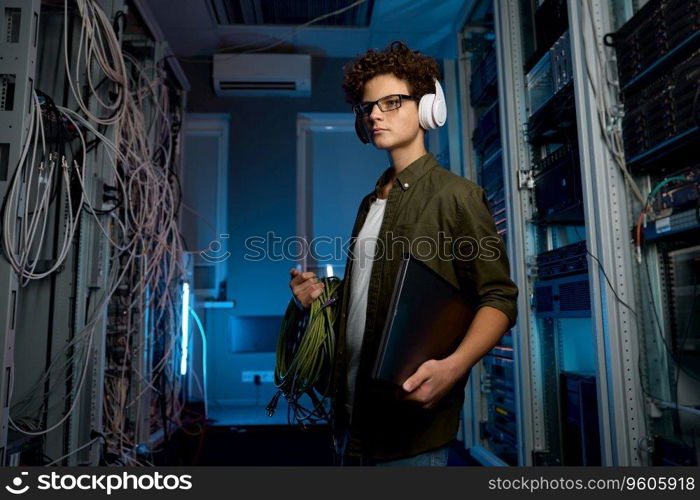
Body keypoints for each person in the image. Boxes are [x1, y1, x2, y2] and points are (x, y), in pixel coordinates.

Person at [288, 41, 518, 466]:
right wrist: (319, 301)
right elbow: (371, 303)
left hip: (407, 437)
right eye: (368, 107)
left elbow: (499, 299)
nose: (375, 114)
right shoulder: (371, 201)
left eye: (391, 102)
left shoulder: (457, 197)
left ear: (429, 107)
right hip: (351, 422)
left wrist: (452, 368)